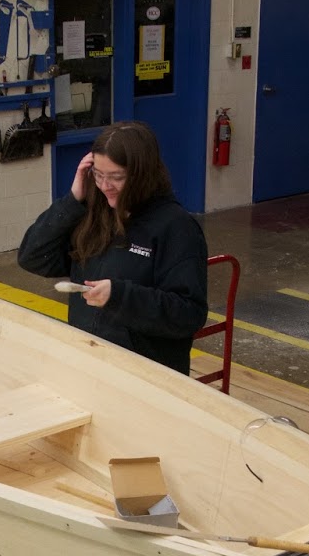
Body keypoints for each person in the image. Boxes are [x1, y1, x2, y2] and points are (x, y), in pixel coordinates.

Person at [17, 120, 208, 374]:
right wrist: (72, 200)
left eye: (116, 177)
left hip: (146, 375)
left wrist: (120, 297)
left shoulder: (175, 227)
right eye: (98, 175)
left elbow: (188, 315)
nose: (105, 186)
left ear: (142, 175)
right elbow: (32, 257)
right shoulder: (94, 217)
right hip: (90, 363)